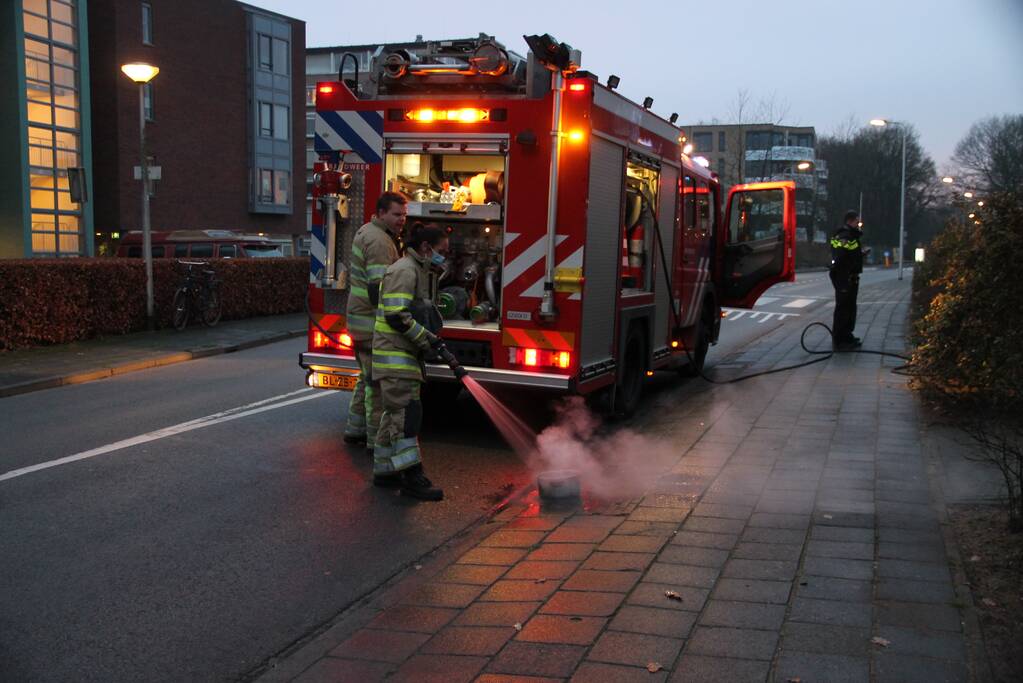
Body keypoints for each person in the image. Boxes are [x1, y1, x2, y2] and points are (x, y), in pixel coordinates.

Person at [371, 223, 449, 501]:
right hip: (396, 356)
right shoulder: (404, 270)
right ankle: (412, 478)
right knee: (407, 417)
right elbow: (396, 315)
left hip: (403, 355)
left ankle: (384, 470)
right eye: (442, 251)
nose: (444, 256)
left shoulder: (420, 269)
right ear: (426, 247)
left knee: (394, 413)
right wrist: (428, 340)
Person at [343, 192, 406, 454]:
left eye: (404, 215)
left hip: (360, 321)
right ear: (381, 213)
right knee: (378, 387)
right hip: (370, 324)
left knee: (365, 379)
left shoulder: (368, 230)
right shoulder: (380, 241)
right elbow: (378, 290)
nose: (402, 220)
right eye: (396, 214)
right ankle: (373, 441)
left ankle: (354, 429)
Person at [829, 210, 865, 349]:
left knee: (850, 308)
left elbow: (848, 253)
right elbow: (841, 256)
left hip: (849, 276)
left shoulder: (850, 236)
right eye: (857, 221)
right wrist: (843, 273)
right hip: (844, 277)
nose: (859, 224)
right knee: (843, 308)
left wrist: (859, 255)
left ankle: (847, 336)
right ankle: (839, 340)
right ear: (850, 221)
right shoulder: (845, 236)